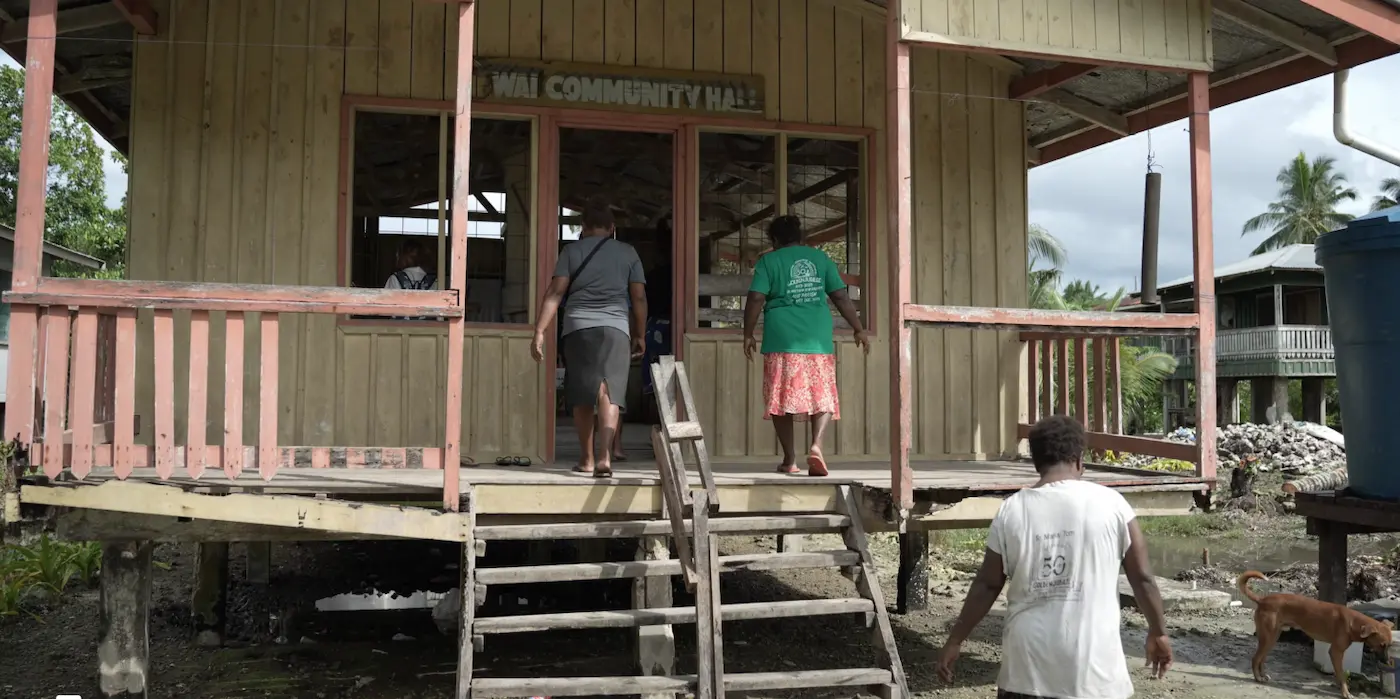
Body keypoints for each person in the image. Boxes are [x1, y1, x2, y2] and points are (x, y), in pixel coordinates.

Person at [935, 415, 1174, 699]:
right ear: (1079, 459)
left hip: (1025, 672)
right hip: (1094, 674)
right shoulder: (1114, 505)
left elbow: (987, 584)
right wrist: (1158, 632)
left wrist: (955, 640)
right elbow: (1142, 578)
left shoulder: (1011, 510)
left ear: (1036, 462)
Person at [741, 215, 868, 477]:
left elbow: (755, 298)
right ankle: (816, 446)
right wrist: (858, 328)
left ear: (774, 240)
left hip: (782, 339)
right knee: (821, 393)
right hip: (817, 339)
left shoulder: (769, 261)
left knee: (781, 398)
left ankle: (790, 459)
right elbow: (841, 296)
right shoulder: (820, 259)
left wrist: (748, 333)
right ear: (800, 237)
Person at [531, 201, 646, 478]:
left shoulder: (571, 251)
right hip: (617, 327)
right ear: (612, 228)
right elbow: (638, 297)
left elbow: (555, 293)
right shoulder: (628, 252)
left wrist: (539, 331)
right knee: (610, 393)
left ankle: (586, 459)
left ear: (583, 228)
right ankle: (605, 457)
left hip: (578, 327)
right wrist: (640, 334)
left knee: (582, 393)